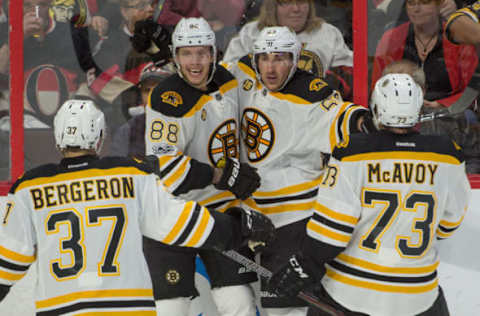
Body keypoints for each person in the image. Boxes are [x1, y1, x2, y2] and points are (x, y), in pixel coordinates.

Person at [0, 98, 275, 314]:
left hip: (60, 310)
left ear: (58, 138)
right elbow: (178, 223)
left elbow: (8, 262)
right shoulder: (130, 175)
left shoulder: (30, 188)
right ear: (99, 137)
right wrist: (237, 226)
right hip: (127, 309)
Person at [267, 73, 471, 316]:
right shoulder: (447, 155)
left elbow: (331, 234)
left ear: (375, 108)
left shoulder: (351, 153)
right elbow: (448, 226)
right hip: (417, 296)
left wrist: (301, 266)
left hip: (351, 294)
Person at [225, 26, 368, 316]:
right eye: (264, 58)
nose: (271, 67)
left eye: (280, 58)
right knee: (235, 301)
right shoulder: (242, 73)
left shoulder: (311, 93)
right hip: (248, 216)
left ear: (295, 59)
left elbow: (345, 119)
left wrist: (372, 121)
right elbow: (202, 73)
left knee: (285, 311)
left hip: (293, 219)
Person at [144, 17, 262, 316]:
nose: (195, 61)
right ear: (175, 56)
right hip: (174, 213)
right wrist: (223, 175)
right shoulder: (166, 99)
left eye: (202, 52)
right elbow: (167, 167)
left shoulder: (229, 80)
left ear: (213, 53)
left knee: (239, 302)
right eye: (186, 53)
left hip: (222, 213)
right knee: (170, 308)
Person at [223, 0, 353, 97]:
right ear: (272, 6)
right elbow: (227, 77)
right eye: (287, 2)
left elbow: (350, 75)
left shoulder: (327, 33)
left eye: (302, 2)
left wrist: (333, 83)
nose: (296, 9)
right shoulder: (251, 34)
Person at [372, 0, 478, 109]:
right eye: (411, 3)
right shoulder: (391, 38)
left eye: (424, 2)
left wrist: (442, 105)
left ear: (440, 6)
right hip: (400, 111)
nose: (416, 9)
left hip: (450, 114)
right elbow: (378, 86)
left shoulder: (457, 37)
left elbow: (471, 89)